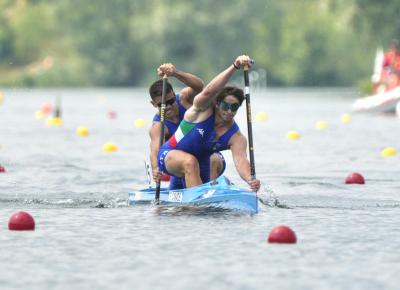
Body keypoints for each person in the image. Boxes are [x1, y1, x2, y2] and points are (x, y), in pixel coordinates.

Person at [157, 55, 261, 192]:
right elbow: (210, 90)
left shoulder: (237, 137)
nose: (229, 111)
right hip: (170, 155)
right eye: (225, 106)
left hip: (201, 164)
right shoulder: (203, 109)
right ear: (217, 103)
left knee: (186, 197)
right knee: (189, 162)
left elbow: (241, 161)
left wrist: (250, 180)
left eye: (234, 107)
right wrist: (234, 66)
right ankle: (199, 205)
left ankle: (197, 204)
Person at [148, 64, 225, 189]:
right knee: (189, 162)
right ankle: (200, 200)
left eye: (170, 101)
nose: (167, 107)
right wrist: (156, 169)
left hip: (206, 157)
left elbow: (199, 86)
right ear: (153, 104)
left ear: (174, 94)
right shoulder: (158, 126)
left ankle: (211, 193)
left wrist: (175, 73)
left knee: (214, 159)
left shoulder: (185, 99)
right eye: (161, 105)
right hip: (182, 169)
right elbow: (155, 151)